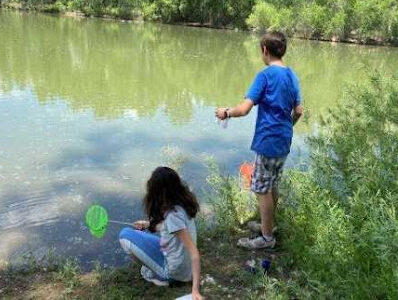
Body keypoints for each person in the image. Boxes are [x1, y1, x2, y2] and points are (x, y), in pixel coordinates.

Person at [215, 31, 305, 250]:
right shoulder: (292, 75)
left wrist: (226, 112)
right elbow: (299, 111)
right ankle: (269, 225)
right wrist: (286, 128)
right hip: (284, 140)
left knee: (261, 189)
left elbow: (244, 109)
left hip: (268, 141)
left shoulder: (265, 76)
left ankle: (266, 238)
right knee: (272, 183)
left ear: (265, 50)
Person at [118, 167, 204, 300]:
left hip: (174, 272)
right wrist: (147, 225)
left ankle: (159, 276)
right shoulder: (181, 205)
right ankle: (160, 271)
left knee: (124, 235)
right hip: (182, 267)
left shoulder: (173, 216)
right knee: (134, 233)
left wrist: (195, 290)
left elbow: (194, 252)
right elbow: (170, 228)